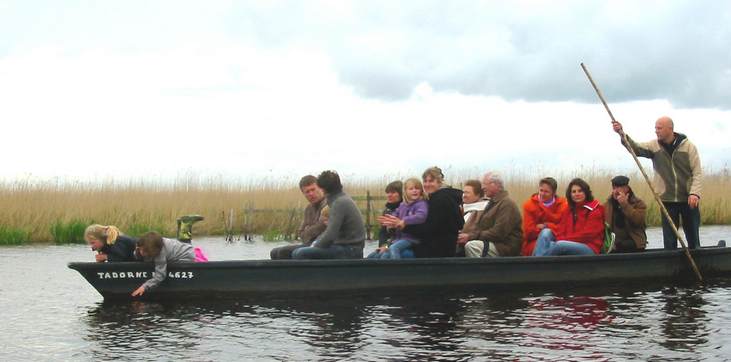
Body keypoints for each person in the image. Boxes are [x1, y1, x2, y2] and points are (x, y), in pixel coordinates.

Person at [612, 117, 702, 249]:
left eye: (659, 128)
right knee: (670, 242)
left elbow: (697, 173)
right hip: (667, 200)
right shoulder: (654, 146)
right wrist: (622, 134)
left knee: (693, 239)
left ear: (670, 129)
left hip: (688, 200)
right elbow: (635, 149)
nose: (656, 131)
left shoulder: (689, 147)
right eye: (655, 128)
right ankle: (671, 266)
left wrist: (694, 193)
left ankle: (698, 262)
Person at [382, 167, 463, 258]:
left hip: (436, 252)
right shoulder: (438, 198)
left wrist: (404, 225)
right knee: (383, 253)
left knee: (388, 255)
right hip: (434, 248)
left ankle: (395, 271)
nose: (427, 184)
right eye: (425, 181)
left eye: (431, 181)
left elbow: (428, 228)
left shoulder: (441, 200)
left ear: (439, 182)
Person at [292, 171, 366, 259]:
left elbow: (330, 235)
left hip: (350, 250)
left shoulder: (339, 203)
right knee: (298, 252)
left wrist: (314, 246)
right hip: (345, 247)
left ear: (323, 189)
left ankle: (315, 273)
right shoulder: (340, 199)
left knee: (300, 253)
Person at [533, 178, 605, 256]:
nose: (577, 194)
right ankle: (538, 262)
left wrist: (562, 240)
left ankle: (538, 265)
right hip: (569, 243)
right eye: (573, 192)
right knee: (545, 233)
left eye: (580, 191)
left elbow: (587, 236)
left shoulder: (594, 210)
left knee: (559, 245)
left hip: (589, 247)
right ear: (570, 194)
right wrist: (547, 226)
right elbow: (561, 229)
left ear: (586, 192)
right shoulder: (569, 210)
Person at [461, 172, 523, 257]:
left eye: (485, 184)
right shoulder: (492, 203)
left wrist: (470, 237)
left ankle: (479, 270)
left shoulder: (507, 204)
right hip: (492, 243)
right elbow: (481, 227)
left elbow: (498, 233)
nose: (482, 188)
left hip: (504, 247)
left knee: (472, 246)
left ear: (494, 185)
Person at [270, 175, 328, 259]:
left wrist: (309, 230)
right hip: (310, 243)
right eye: (307, 192)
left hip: (323, 244)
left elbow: (322, 226)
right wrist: (311, 230)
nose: (311, 194)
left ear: (320, 188)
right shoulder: (308, 209)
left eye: (313, 189)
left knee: (284, 252)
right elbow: (301, 232)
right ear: (303, 194)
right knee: (274, 252)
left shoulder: (328, 204)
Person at [131, 231, 196, 297]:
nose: (142, 253)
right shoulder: (142, 244)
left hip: (186, 256)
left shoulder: (160, 253)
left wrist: (144, 287)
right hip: (177, 249)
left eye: (145, 252)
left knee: (164, 267)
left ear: (153, 251)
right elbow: (139, 255)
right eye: (141, 249)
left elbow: (160, 276)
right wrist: (137, 252)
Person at [377, 178, 428, 259]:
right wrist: (390, 221)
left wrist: (404, 221)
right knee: (384, 255)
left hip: (411, 239)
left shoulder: (421, 204)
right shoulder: (403, 205)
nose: (414, 190)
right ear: (405, 192)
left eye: (417, 188)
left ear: (421, 191)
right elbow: (395, 214)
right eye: (411, 189)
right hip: (399, 239)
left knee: (394, 248)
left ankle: (397, 268)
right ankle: (384, 270)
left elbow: (421, 216)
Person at [520, 177, 569, 256]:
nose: (542, 194)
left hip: (558, 240)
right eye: (541, 190)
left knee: (549, 235)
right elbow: (529, 232)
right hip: (534, 242)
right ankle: (540, 265)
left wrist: (546, 226)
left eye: (546, 192)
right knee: (546, 235)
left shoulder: (563, 205)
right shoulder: (529, 205)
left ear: (553, 193)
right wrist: (553, 227)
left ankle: (540, 265)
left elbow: (564, 229)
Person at [604, 175, 647, 252]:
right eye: (614, 188)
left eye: (619, 188)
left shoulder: (638, 203)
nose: (616, 191)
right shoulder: (607, 205)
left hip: (634, 241)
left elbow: (638, 221)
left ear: (627, 189)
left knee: (623, 245)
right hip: (613, 243)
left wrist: (625, 205)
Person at [367, 181, 404, 259]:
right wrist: (383, 245)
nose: (389, 195)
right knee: (370, 257)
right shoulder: (387, 210)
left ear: (401, 194)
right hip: (388, 244)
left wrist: (387, 246)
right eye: (388, 192)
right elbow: (382, 233)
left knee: (384, 257)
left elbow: (400, 235)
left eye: (393, 192)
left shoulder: (404, 209)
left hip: (399, 244)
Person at [458, 179, 488, 256]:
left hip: (470, 244)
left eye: (467, 193)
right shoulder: (462, 208)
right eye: (463, 192)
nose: (464, 195)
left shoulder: (483, 209)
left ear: (478, 195)